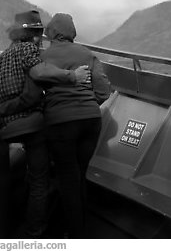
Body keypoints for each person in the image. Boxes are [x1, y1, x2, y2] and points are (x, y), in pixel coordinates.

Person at [0, 10, 91, 238]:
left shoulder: (0, 59)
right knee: (41, 180)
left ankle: (21, 218)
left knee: (31, 171)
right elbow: (33, 93)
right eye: (37, 34)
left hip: (6, 129)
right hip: (31, 126)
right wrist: (72, 76)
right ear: (32, 35)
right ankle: (36, 231)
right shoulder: (28, 50)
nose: (39, 40)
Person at [40, 13, 111, 238]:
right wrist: (88, 103)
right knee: (79, 174)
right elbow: (103, 91)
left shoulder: (44, 56)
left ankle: (74, 234)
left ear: (51, 33)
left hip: (61, 123)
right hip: (90, 121)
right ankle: (82, 227)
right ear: (72, 32)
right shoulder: (87, 55)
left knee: (68, 178)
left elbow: (34, 90)